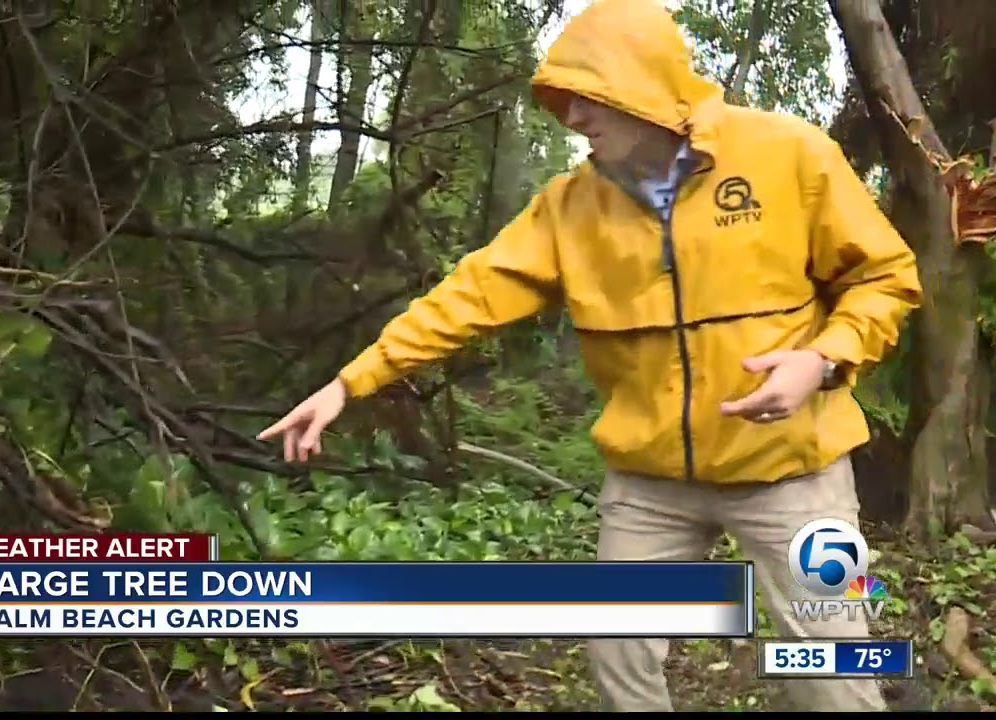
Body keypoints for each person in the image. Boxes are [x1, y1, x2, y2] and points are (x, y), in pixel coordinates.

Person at [258, 0, 921, 711]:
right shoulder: (569, 207)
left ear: (646, 85)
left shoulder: (789, 155)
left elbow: (885, 279)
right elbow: (469, 297)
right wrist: (350, 383)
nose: (571, 117)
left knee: (833, 666)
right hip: (651, 481)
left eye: (587, 96)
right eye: (562, 99)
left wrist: (821, 360)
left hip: (796, 469)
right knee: (618, 658)